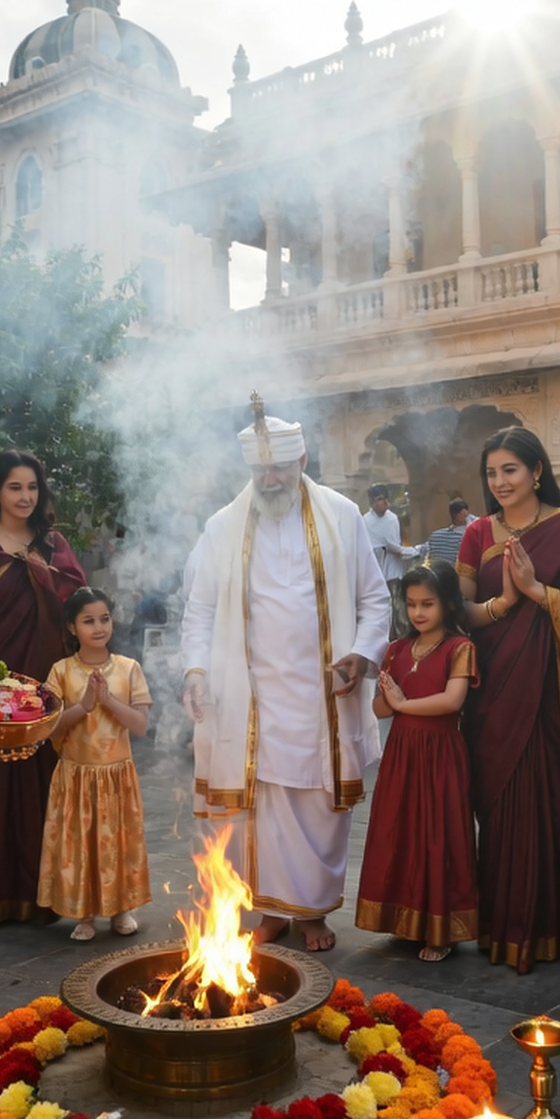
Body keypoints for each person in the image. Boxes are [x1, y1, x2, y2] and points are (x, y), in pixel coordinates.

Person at [181, 408, 389, 952]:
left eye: (279, 467)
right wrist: (196, 669)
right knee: (259, 808)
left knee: (318, 807)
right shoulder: (223, 527)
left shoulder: (342, 516)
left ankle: (313, 912)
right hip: (250, 700)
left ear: (302, 459)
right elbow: (199, 609)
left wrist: (361, 656)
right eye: (261, 471)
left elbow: (374, 599)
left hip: (323, 695)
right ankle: (270, 910)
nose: (270, 479)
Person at [457, 425, 560, 972]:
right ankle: (502, 924)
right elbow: (461, 612)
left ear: (537, 470)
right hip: (494, 687)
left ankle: (559, 924)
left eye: (510, 470)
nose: (499, 482)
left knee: (552, 801)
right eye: (492, 473)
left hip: (550, 689)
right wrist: (504, 602)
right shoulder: (477, 534)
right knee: (499, 809)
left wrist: (540, 594)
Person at [0, 449, 88, 925]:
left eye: (32, 487)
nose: (25, 497)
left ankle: (36, 895)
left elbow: (78, 612)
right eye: (14, 487)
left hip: (42, 696)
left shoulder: (54, 545)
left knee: (39, 793)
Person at [355, 564, 479, 961]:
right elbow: (380, 711)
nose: (418, 613)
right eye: (411, 605)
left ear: (447, 603)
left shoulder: (460, 648)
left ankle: (439, 931)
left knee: (437, 834)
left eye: (428, 604)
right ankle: (403, 920)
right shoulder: (396, 649)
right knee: (400, 831)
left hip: (441, 753)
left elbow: (452, 701)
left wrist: (403, 702)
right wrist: (383, 693)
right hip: (402, 754)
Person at [39, 588, 152, 940]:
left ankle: (121, 908)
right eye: (88, 620)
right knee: (80, 843)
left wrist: (107, 700)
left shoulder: (128, 669)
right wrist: (84, 704)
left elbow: (141, 725)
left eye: (104, 618)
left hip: (117, 775)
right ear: (72, 627)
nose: (99, 627)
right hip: (77, 776)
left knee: (118, 841)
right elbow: (49, 727)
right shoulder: (61, 672)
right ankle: (84, 913)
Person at [364, 487, 420, 637]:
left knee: (398, 610)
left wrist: (412, 551)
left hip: (393, 573)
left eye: (385, 499)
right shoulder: (366, 521)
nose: (384, 502)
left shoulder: (392, 518)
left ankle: (402, 640)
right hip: (375, 574)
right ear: (372, 502)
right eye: (380, 499)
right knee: (381, 612)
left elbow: (394, 547)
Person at [425, 497, 472, 568]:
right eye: (464, 515)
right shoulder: (464, 537)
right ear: (457, 515)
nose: (467, 517)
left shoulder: (435, 535)